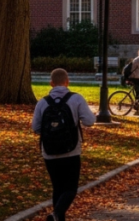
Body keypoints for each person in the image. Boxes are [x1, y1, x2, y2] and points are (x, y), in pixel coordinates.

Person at [32, 69, 95, 221]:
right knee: (71, 188)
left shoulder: (43, 102)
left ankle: (57, 217)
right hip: (71, 150)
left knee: (57, 187)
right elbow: (89, 121)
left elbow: (36, 128)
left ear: (51, 83)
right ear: (67, 82)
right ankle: (56, 214)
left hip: (49, 151)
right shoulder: (76, 99)